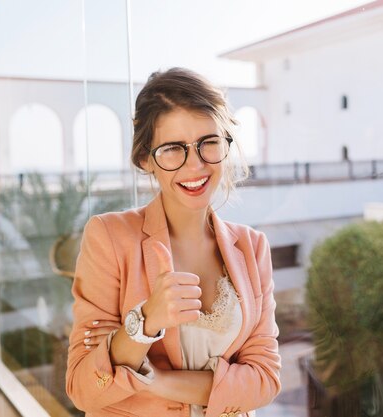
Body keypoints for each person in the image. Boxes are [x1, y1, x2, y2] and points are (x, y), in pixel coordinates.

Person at [66, 67, 281, 417]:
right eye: (172, 149)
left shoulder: (252, 247)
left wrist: (155, 379)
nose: (194, 165)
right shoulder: (109, 237)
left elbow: (265, 380)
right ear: (145, 159)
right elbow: (84, 389)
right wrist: (146, 321)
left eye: (208, 143)